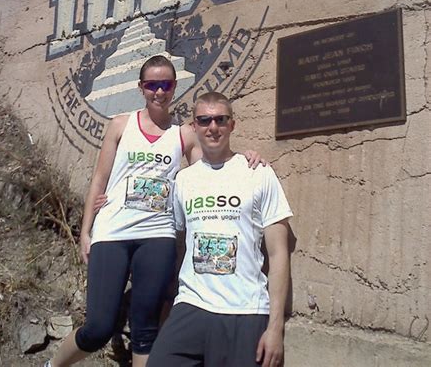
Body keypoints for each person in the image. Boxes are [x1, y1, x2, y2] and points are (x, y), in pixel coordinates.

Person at [45, 56, 263, 367]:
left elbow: (212, 168)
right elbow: (99, 178)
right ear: (141, 88)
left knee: (146, 330)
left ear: (175, 87)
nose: (159, 92)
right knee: (97, 328)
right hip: (113, 232)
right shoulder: (120, 125)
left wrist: (246, 158)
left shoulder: (184, 134)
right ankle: (52, 365)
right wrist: (85, 230)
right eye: (152, 85)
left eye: (166, 85)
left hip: (157, 236)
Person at [147, 91, 293, 367]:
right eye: (204, 120)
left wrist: (275, 329)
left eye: (220, 120)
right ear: (194, 126)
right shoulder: (184, 180)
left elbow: (278, 254)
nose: (212, 127)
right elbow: (164, 230)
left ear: (232, 125)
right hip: (192, 305)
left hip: (246, 310)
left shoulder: (258, 173)